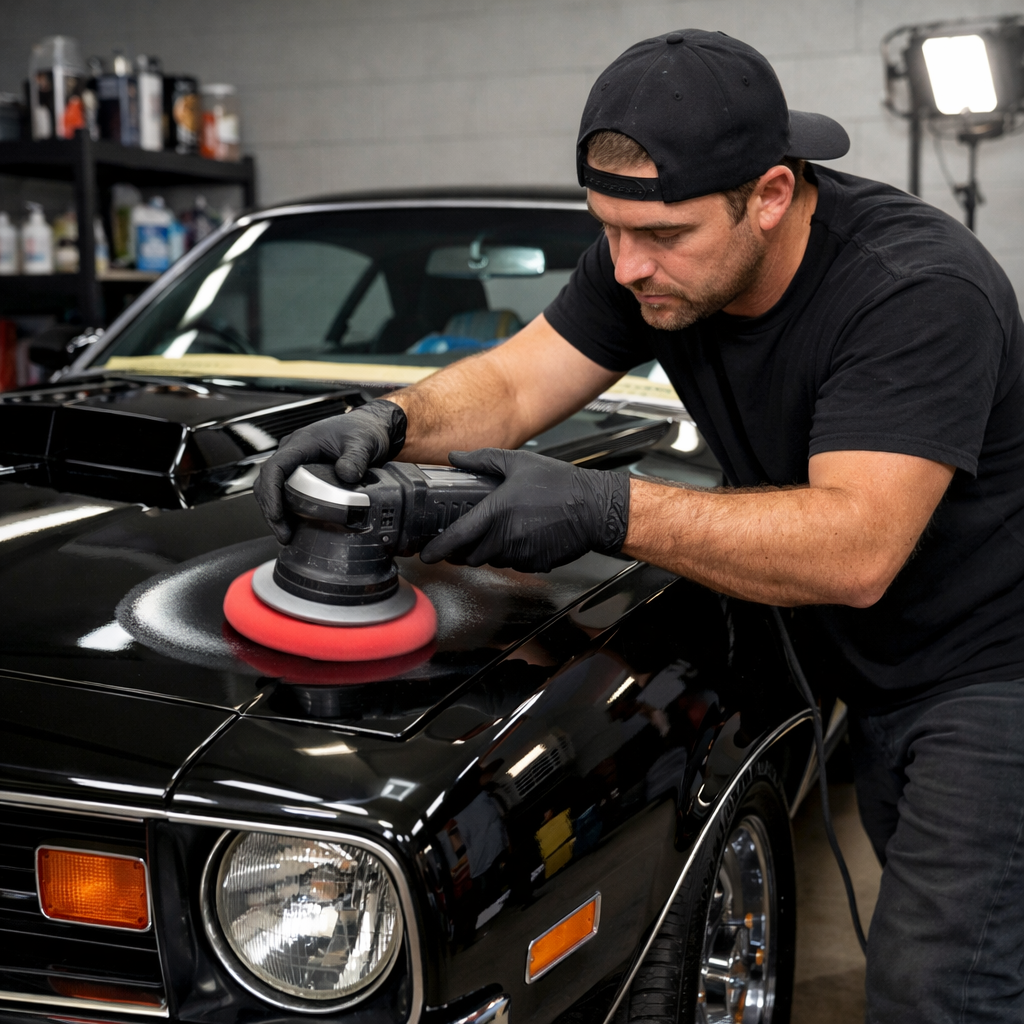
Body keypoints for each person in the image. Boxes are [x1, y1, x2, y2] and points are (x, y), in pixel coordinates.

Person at [255, 29, 1024, 1022]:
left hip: (988, 673)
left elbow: (856, 546)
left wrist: (601, 506)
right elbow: (515, 378)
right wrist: (387, 421)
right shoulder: (656, 257)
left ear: (773, 195)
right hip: (871, 672)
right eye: (607, 227)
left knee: (937, 987)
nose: (626, 265)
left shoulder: (914, 292)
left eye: (660, 236)